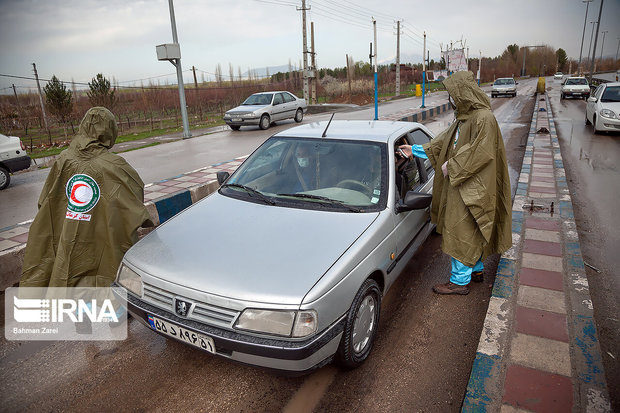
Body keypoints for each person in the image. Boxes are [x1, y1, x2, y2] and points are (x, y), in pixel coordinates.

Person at [400, 71, 512, 295]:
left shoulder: (484, 118)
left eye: (453, 94)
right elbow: (441, 144)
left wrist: (451, 166)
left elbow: (481, 152)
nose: (451, 99)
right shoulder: (464, 118)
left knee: (460, 230)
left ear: (463, 93)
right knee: (472, 229)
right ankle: (476, 270)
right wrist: (413, 150)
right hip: (463, 184)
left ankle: (459, 282)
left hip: (474, 186)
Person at [20, 107, 153, 288]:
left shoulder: (63, 160)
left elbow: (45, 201)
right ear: (110, 131)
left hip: (66, 239)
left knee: (68, 275)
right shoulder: (116, 166)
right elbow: (134, 203)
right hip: (103, 243)